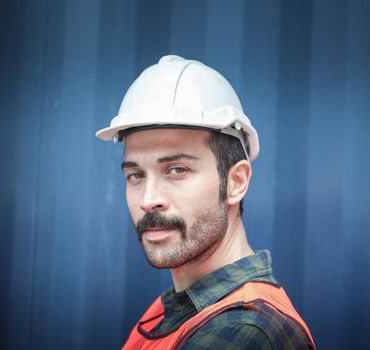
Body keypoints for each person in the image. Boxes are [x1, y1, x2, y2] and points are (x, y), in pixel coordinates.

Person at [96, 55, 316, 349]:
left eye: (177, 170)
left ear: (236, 182)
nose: (149, 200)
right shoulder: (175, 310)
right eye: (136, 175)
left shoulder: (246, 330)